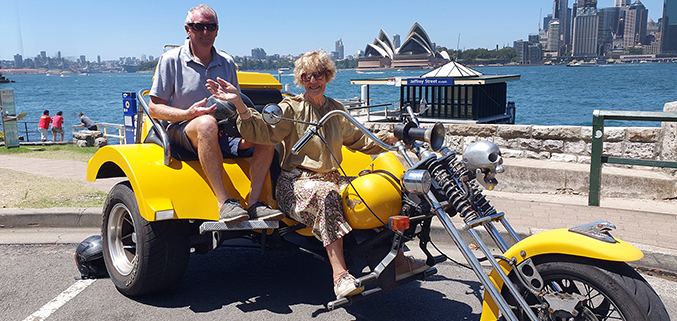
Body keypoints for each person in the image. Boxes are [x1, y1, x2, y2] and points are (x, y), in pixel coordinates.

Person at [208, 50, 429, 300]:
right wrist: (238, 103)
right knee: (327, 196)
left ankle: (397, 261)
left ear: (328, 76)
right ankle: (340, 276)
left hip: (333, 178)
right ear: (301, 79)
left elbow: (361, 140)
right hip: (295, 183)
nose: (313, 80)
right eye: (307, 76)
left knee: (375, 193)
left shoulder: (336, 109)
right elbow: (261, 133)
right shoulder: (290, 108)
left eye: (319, 74)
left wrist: (393, 140)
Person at [148, 4, 282, 223]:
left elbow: (237, 106)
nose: (205, 32)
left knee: (265, 131)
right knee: (206, 123)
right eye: (199, 26)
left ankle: (255, 202)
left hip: (224, 130)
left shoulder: (226, 62)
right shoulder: (171, 60)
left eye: (210, 27)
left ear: (217, 30)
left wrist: (236, 100)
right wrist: (188, 113)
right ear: (187, 29)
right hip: (183, 129)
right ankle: (224, 203)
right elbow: (154, 108)